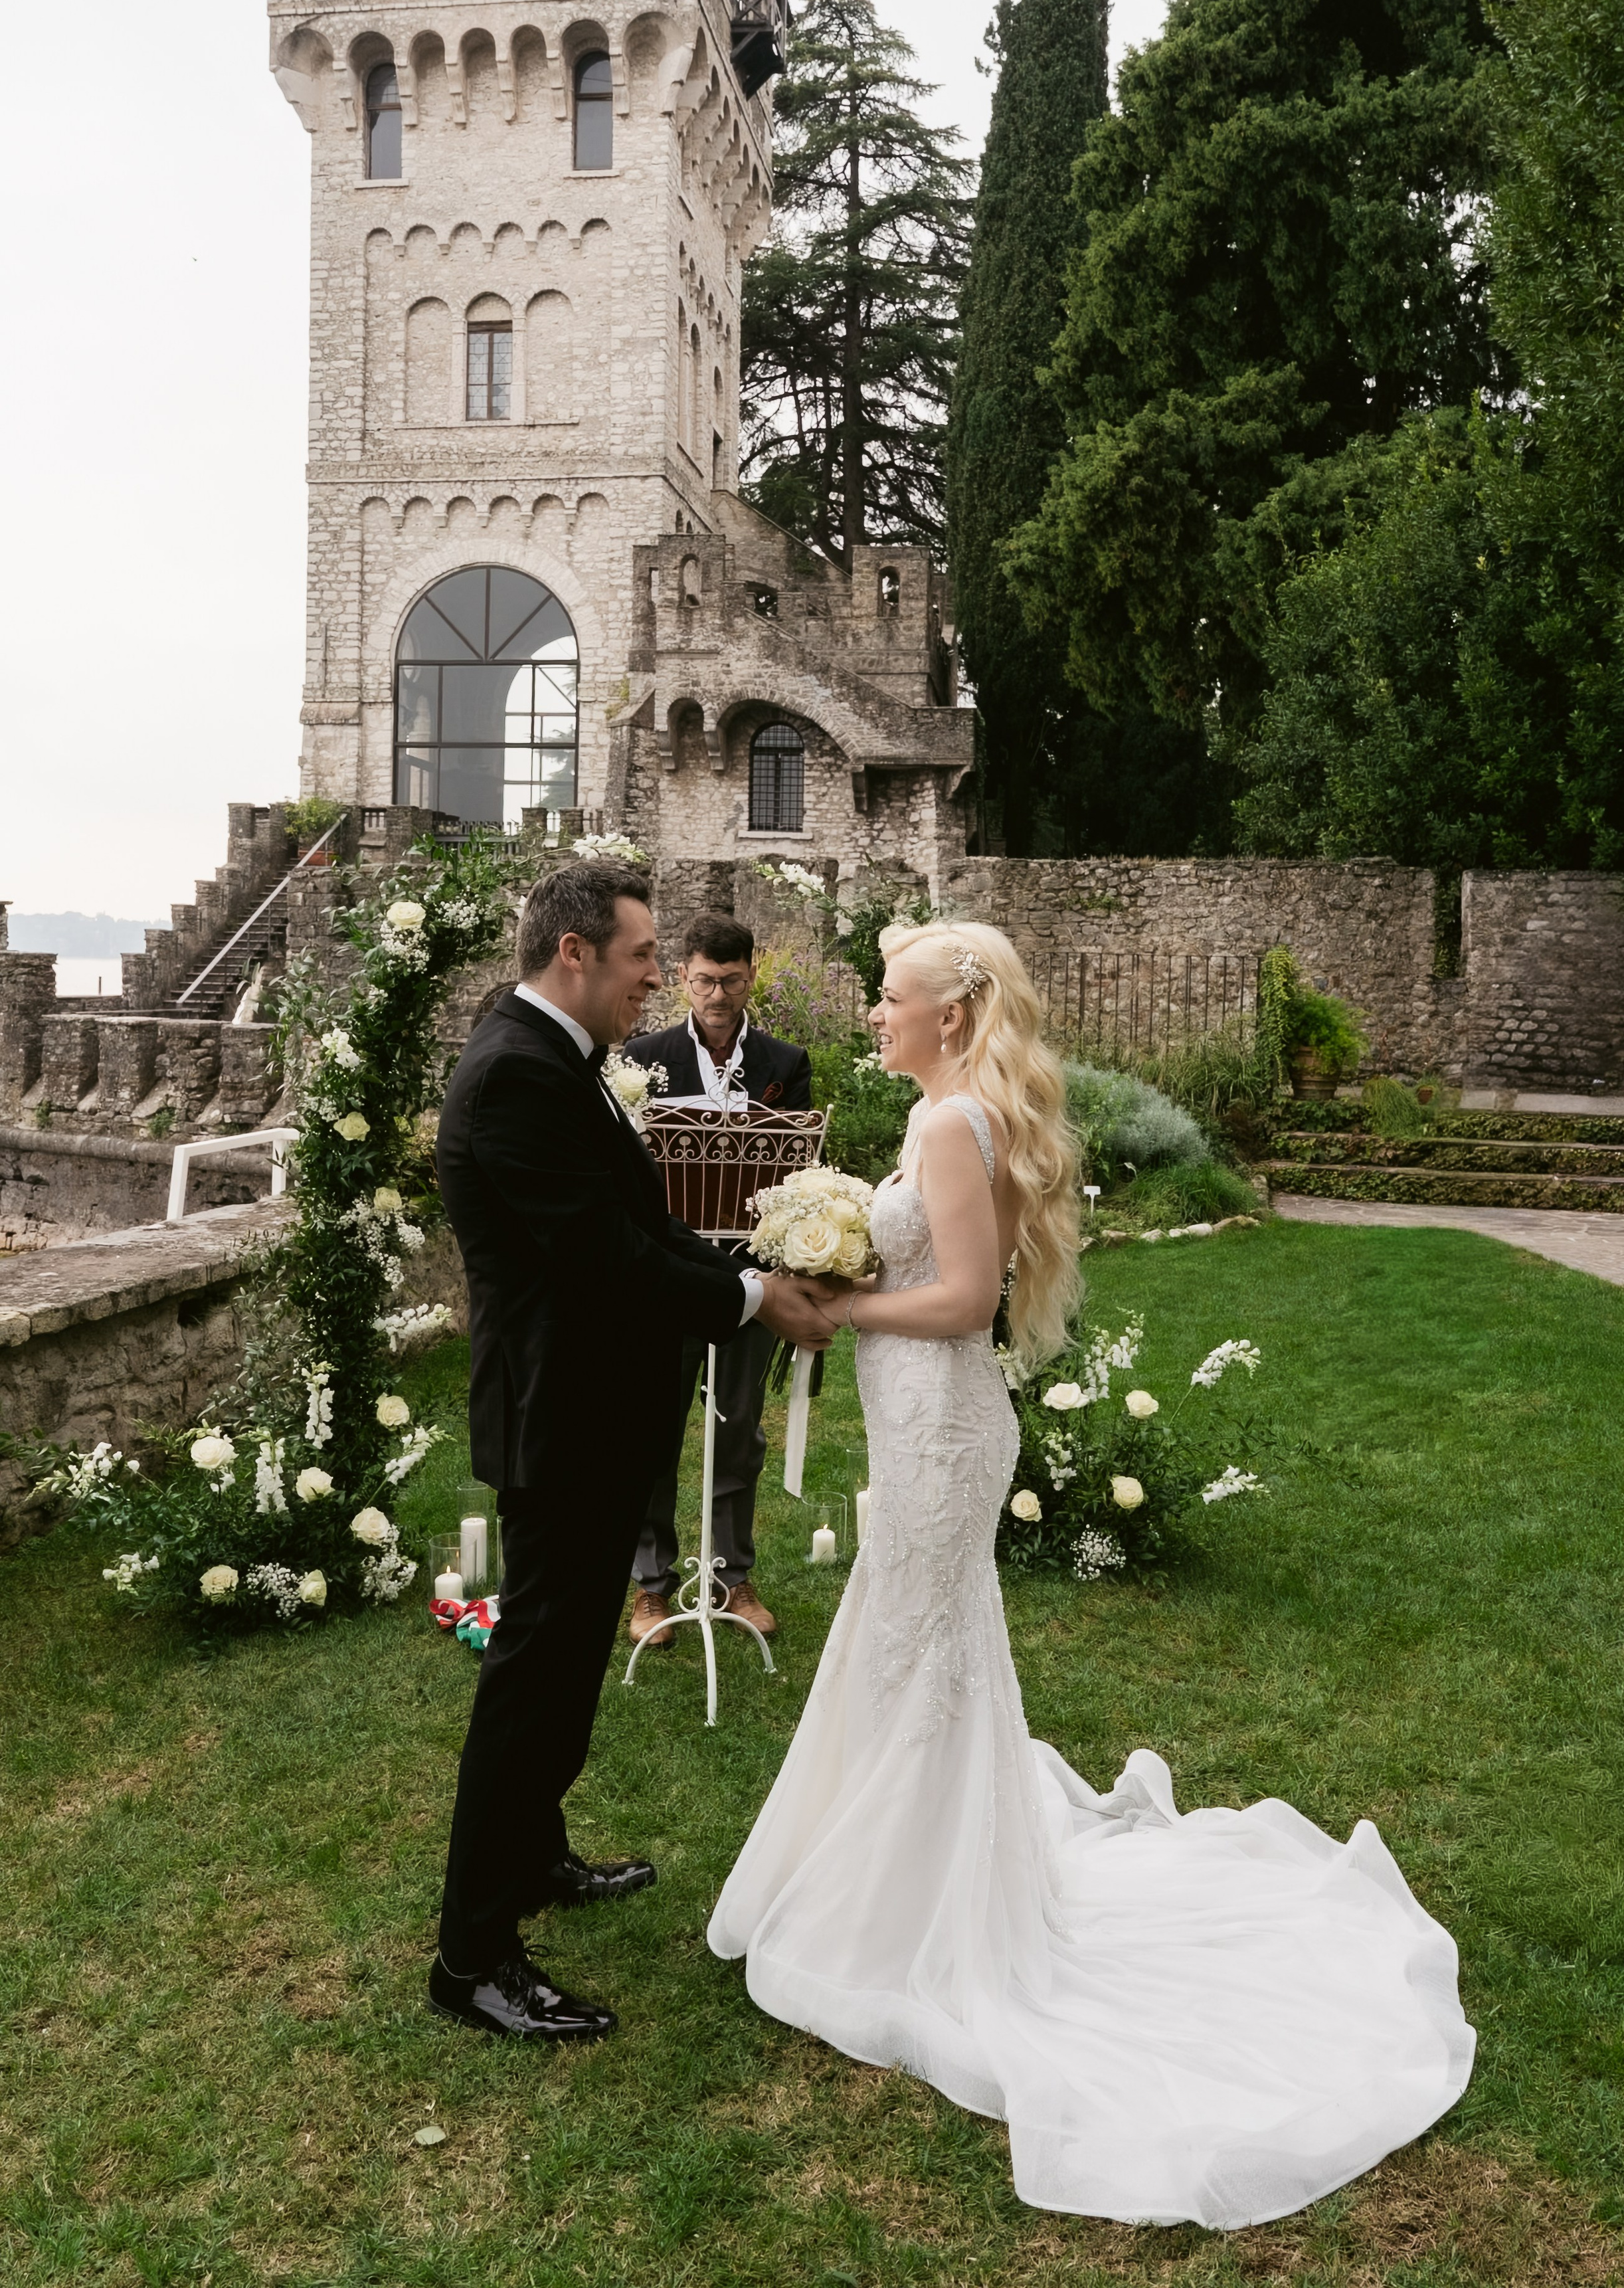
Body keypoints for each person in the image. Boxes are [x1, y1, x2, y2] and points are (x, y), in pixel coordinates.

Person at [707, 920, 1475, 2229]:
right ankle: (908, 1876)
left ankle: (918, 1912)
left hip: (942, 1423)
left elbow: (961, 1301)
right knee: (911, 1654)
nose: (874, 1020)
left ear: (948, 1015)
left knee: (919, 1652)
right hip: (923, 1422)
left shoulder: (951, 1131)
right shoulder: (940, 1114)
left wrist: (832, 1305)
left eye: (890, 1003)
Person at [429, 860, 834, 2046]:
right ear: (575, 956)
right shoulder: (513, 1075)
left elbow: (644, 1224)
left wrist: (747, 1271)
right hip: (560, 1419)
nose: (657, 976)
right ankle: (472, 1956)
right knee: (533, 1676)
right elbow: (605, 1262)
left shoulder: (560, 1060)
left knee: (558, 1672)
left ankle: (537, 1855)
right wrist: (758, 1302)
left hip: (596, 1416)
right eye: (642, 955)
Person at [626, 911, 812, 1648]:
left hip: (748, 1272)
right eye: (704, 980)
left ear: (751, 977)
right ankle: (650, 1588)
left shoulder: (784, 1061)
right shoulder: (643, 1057)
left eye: (731, 981)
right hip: (665, 1272)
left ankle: (734, 1578)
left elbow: (794, 1169)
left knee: (737, 1431)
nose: (717, 995)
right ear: (682, 977)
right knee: (651, 1426)